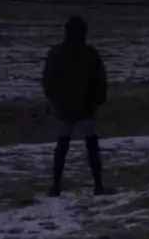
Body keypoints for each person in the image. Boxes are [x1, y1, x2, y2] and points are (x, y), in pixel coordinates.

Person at [42, 16, 107, 196]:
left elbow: (48, 79)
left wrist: (52, 99)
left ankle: (56, 186)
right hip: (87, 108)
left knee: (62, 147)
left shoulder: (56, 53)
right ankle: (98, 185)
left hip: (63, 107)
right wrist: (98, 100)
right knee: (92, 147)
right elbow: (100, 80)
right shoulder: (90, 53)